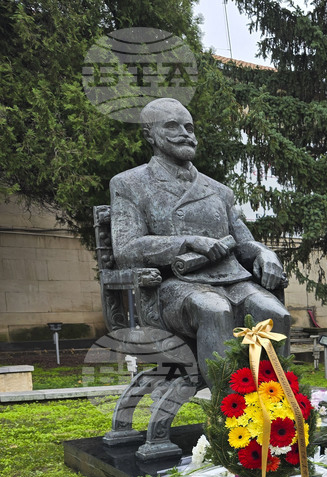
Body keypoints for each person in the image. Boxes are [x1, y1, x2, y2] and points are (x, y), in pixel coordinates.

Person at [110, 98, 289, 384]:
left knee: (273, 313)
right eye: (172, 126)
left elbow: (244, 242)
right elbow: (126, 249)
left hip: (233, 280)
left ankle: (278, 405)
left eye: (189, 127)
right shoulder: (129, 184)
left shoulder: (218, 190)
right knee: (213, 309)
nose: (186, 133)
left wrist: (264, 253)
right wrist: (188, 242)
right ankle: (227, 411)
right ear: (149, 135)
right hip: (175, 286)